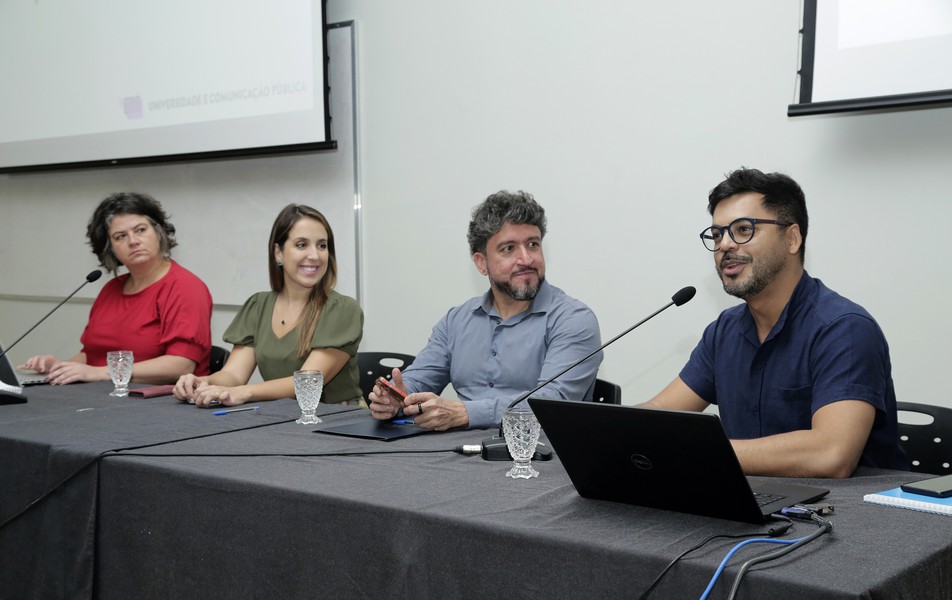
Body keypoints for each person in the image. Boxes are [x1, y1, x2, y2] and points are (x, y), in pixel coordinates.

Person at [642, 168, 908, 478]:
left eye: (743, 230)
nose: (725, 245)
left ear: (792, 238)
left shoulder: (844, 328)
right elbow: (661, 411)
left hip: (855, 516)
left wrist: (699, 450)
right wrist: (605, 429)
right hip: (759, 505)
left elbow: (831, 454)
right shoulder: (724, 331)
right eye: (717, 234)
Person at [368, 190, 603, 431]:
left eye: (533, 244)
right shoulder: (456, 321)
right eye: (508, 249)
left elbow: (552, 403)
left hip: (540, 457)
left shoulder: (574, 320)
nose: (526, 259)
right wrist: (395, 398)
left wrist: (466, 413)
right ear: (482, 263)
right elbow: (418, 380)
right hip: (459, 453)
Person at [174, 204, 363, 407]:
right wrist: (205, 382)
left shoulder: (342, 310)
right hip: (278, 419)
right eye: (301, 245)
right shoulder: (258, 305)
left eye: (322, 245)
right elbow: (233, 375)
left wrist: (242, 393)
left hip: (338, 423)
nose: (315, 255)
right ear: (278, 253)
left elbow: (307, 385)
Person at [20, 192, 212, 385]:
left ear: (159, 232)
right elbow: (92, 356)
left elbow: (181, 365)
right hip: (101, 396)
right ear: (110, 247)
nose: (133, 241)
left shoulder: (185, 287)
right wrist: (59, 367)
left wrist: (99, 373)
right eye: (121, 236)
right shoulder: (111, 289)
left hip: (160, 401)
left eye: (141, 230)